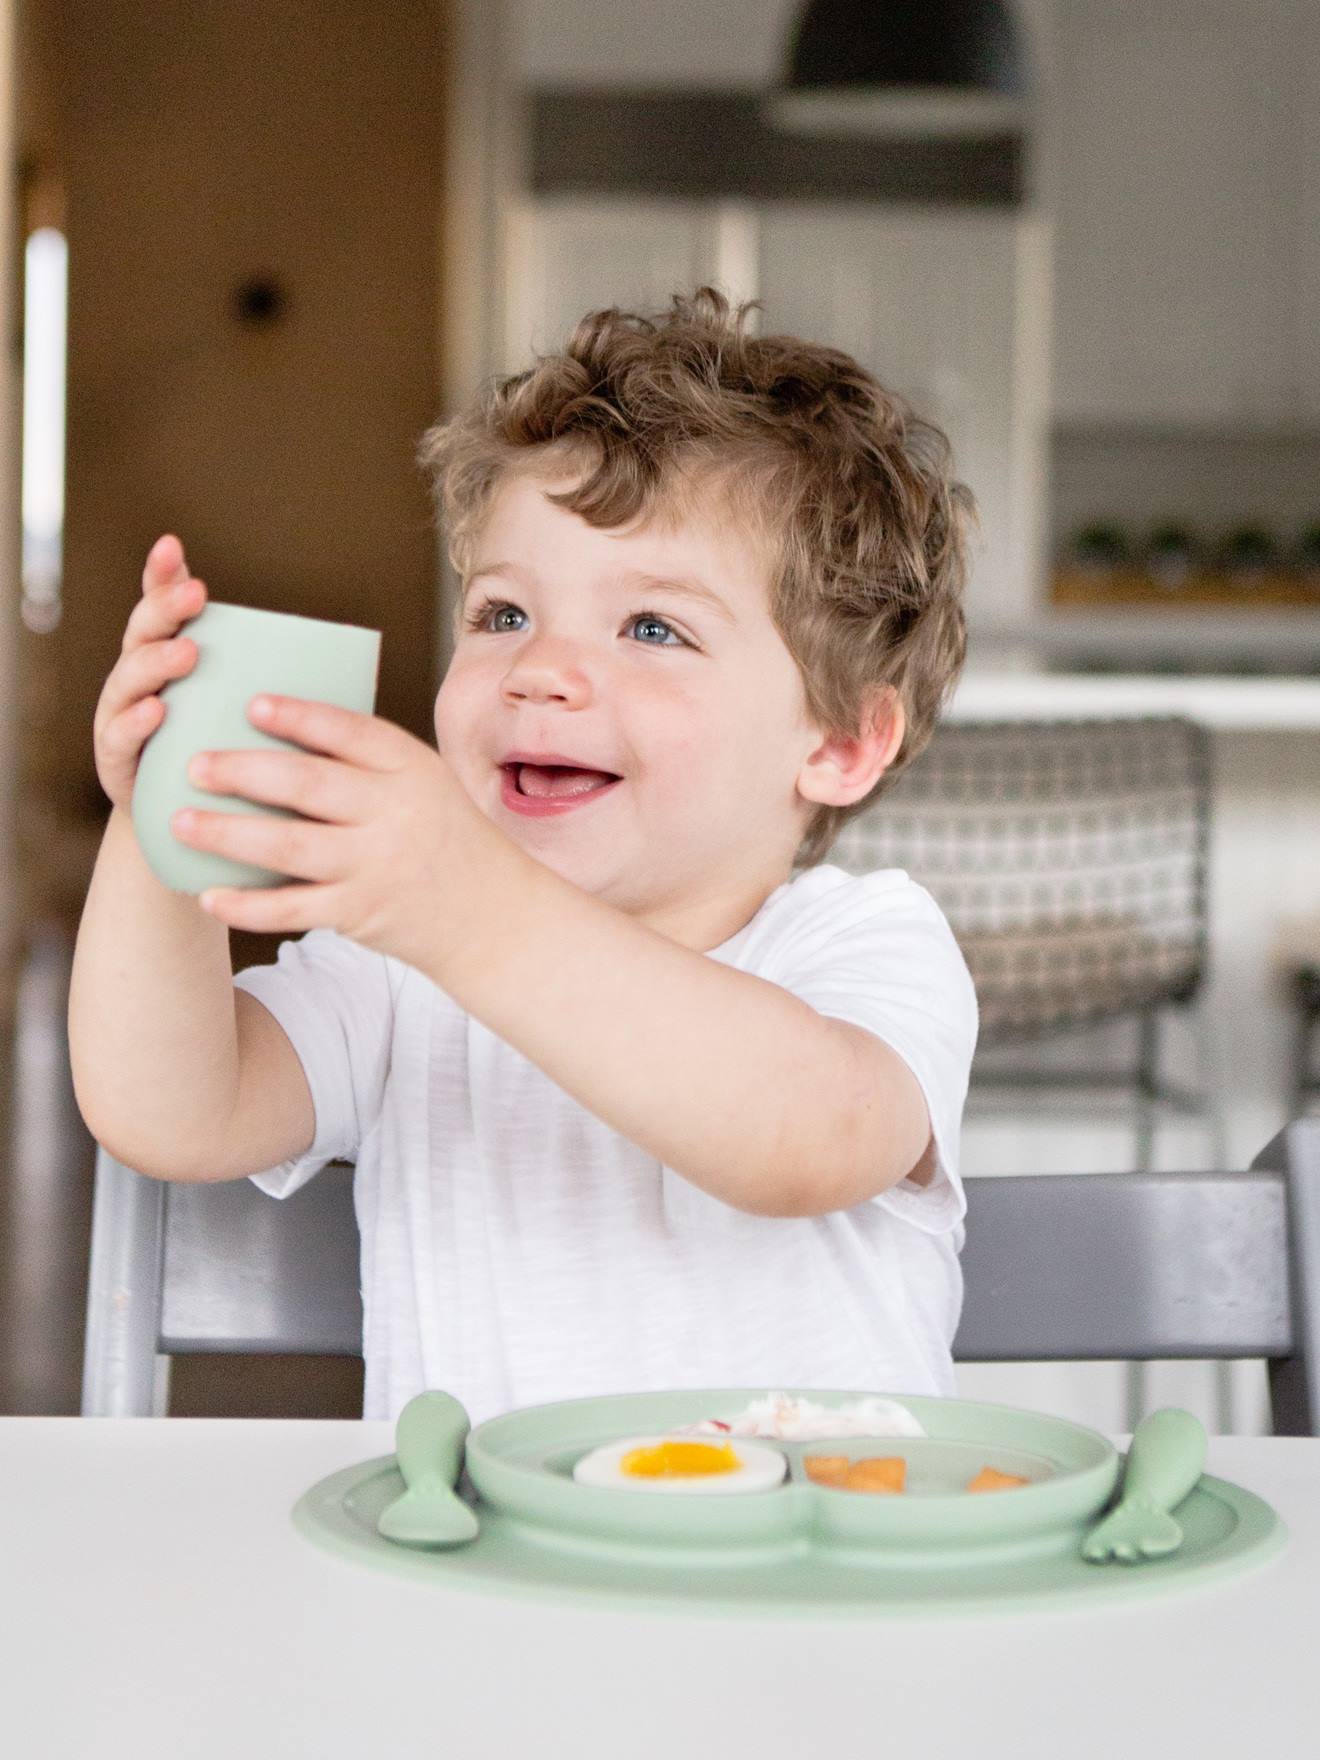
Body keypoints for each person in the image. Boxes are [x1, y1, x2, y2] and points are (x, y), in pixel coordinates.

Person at [68, 288, 979, 1425]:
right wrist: (165, 827)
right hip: (479, 1591)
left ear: (843, 741)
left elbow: (807, 1136)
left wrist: (464, 908)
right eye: (502, 614)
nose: (539, 668)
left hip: (808, 1587)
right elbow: (172, 1109)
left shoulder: (863, 943)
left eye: (653, 628)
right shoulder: (404, 976)